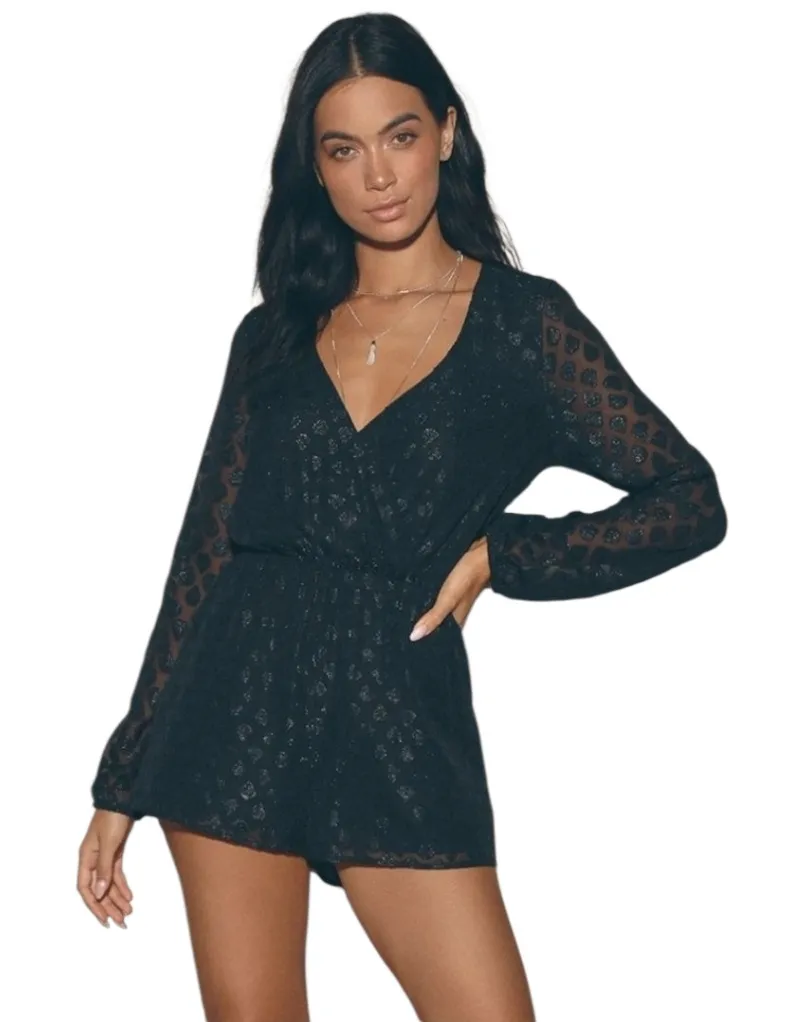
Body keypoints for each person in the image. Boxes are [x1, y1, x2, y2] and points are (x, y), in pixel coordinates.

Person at [76, 12, 728, 1022]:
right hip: (231, 711)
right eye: (344, 149)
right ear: (316, 169)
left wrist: (504, 553)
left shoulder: (526, 326)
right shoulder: (272, 336)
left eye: (400, 136)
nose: (378, 175)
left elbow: (687, 499)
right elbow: (204, 555)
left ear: (447, 133)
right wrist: (122, 776)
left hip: (397, 711)